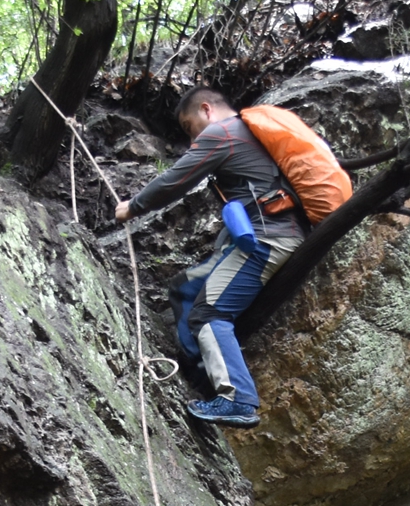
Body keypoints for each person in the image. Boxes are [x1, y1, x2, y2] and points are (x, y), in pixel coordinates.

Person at [113, 86, 303, 428]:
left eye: (190, 128)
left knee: (209, 314)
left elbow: (176, 179)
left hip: (267, 239)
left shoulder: (223, 132)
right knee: (185, 286)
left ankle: (237, 398)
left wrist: (134, 206)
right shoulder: (246, 132)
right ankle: (200, 372)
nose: (192, 139)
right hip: (265, 235)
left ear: (206, 109)